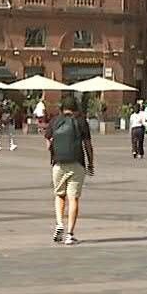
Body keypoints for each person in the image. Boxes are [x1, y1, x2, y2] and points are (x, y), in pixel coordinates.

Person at [44, 99, 95, 246]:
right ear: (76, 109)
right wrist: (90, 163)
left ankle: (59, 223)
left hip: (58, 163)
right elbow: (88, 145)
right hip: (77, 163)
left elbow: (48, 143)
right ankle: (70, 234)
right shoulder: (81, 122)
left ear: (62, 108)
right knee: (73, 199)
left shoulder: (55, 121)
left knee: (60, 195)